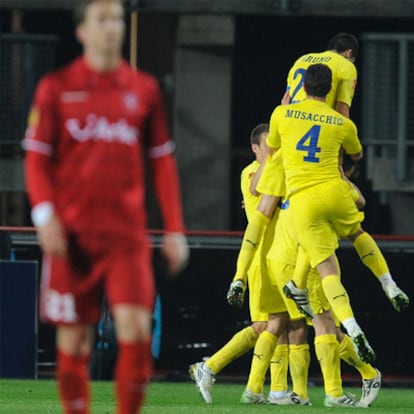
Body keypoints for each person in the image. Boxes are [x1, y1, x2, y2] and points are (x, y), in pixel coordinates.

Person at [22, 1, 189, 413]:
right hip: (72, 237)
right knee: (74, 342)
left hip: (126, 237)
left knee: (134, 332)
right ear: (81, 31)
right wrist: (44, 214)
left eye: (116, 18)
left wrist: (174, 228)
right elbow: (37, 160)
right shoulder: (56, 87)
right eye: (102, 19)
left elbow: (163, 162)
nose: (112, 27)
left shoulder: (144, 90)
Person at [281, 33, 409, 313]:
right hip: (320, 160)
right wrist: (342, 161)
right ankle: (383, 283)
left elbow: (285, 101)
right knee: (355, 211)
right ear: (349, 53)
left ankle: (290, 282)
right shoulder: (345, 66)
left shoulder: (302, 60)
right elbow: (341, 113)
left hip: (290, 148)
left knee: (296, 218)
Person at [267, 63, 377, 365]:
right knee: (315, 320)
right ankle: (386, 284)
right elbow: (359, 188)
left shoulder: (279, 129)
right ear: (329, 88)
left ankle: (280, 391)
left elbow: (260, 214)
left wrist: (239, 275)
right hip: (327, 200)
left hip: (283, 247)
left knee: (286, 324)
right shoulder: (339, 124)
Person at [189, 124, 289, 404]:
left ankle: (272, 390)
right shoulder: (250, 172)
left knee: (279, 323)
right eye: (267, 146)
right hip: (260, 259)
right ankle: (210, 368)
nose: (272, 149)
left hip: (279, 255)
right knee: (266, 325)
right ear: (255, 148)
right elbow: (260, 193)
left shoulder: (276, 171)